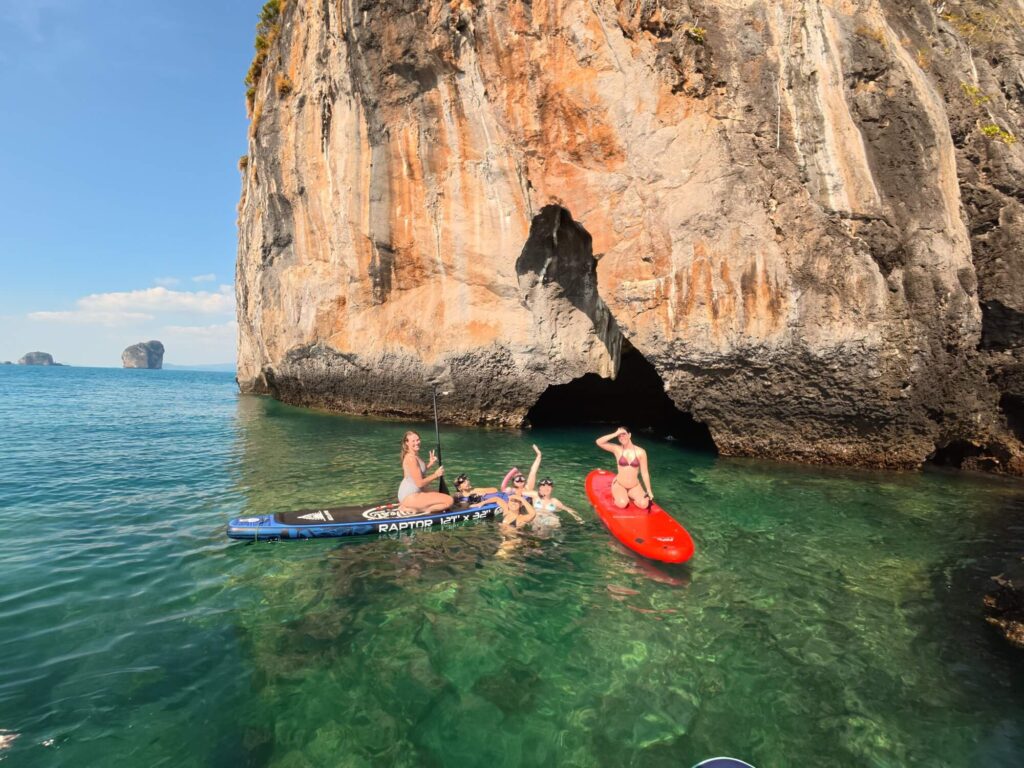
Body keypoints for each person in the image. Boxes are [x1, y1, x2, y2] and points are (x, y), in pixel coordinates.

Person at [595, 427, 653, 510]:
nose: (622, 437)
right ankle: (619, 495)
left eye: (624, 434)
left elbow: (644, 473)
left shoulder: (641, 452)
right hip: (620, 484)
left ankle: (629, 495)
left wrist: (649, 490)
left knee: (644, 505)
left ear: (629, 435)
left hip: (634, 486)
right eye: (619, 436)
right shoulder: (617, 449)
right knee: (622, 504)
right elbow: (599, 442)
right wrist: (615, 433)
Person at [398, 431, 453, 513]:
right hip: (410, 496)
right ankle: (420, 509)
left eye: (418, 440)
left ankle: (414, 506)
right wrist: (436, 475)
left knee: (440, 494)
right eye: (413, 441)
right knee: (449, 501)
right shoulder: (411, 458)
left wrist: (430, 463)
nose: (417, 443)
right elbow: (420, 483)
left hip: (412, 493)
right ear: (407, 443)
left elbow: (416, 472)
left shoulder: (414, 455)